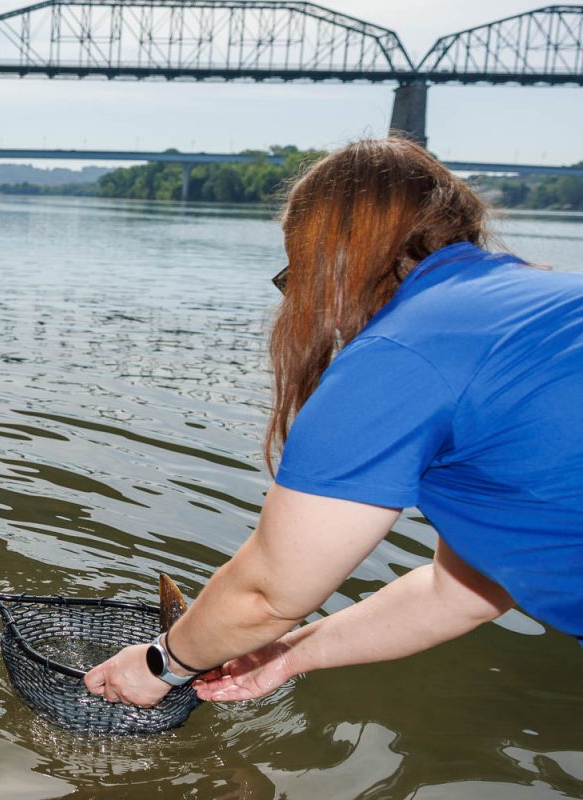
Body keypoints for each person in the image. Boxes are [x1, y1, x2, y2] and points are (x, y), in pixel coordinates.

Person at [84, 137, 583, 707]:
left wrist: (162, 662)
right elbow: (458, 593)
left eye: (295, 271)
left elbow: (268, 593)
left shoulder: (399, 353)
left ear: (332, 257)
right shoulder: (535, 304)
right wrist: (287, 655)